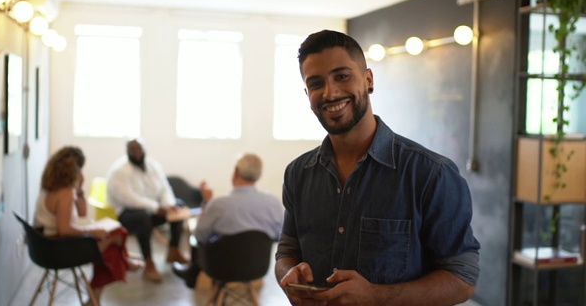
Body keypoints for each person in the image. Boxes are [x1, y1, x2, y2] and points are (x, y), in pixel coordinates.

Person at [275, 30, 481, 305]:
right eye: (316, 83)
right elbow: (287, 252)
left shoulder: (431, 174)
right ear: (307, 94)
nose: (330, 92)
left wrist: (376, 296)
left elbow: (462, 278)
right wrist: (289, 274)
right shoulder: (298, 173)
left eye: (342, 76)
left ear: (368, 80)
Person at [34, 146, 141, 306]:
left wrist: (80, 189)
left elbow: (82, 213)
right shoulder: (64, 193)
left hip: (45, 246)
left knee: (111, 241)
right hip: (57, 250)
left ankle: (95, 297)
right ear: (75, 170)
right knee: (117, 235)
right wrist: (91, 231)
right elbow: (64, 230)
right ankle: (123, 262)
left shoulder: (51, 187)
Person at [172, 153, 283, 288]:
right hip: (258, 268)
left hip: (221, 268)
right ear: (258, 175)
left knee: (201, 240)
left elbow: (199, 235)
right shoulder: (273, 202)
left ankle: (191, 273)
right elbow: (279, 235)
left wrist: (208, 202)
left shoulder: (219, 204)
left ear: (235, 172)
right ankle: (191, 272)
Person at [106, 137, 189, 282]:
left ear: (144, 149)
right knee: (142, 217)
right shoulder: (119, 171)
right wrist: (156, 207)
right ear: (127, 151)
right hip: (128, 213)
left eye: (139, 149)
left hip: (153, 209)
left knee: (179, 206)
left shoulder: (153, 166)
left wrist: (168, 205)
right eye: (133, 150)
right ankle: (149, 262)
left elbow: (164, 188)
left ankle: (174, 250)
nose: (137, 153)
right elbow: (128, 198)